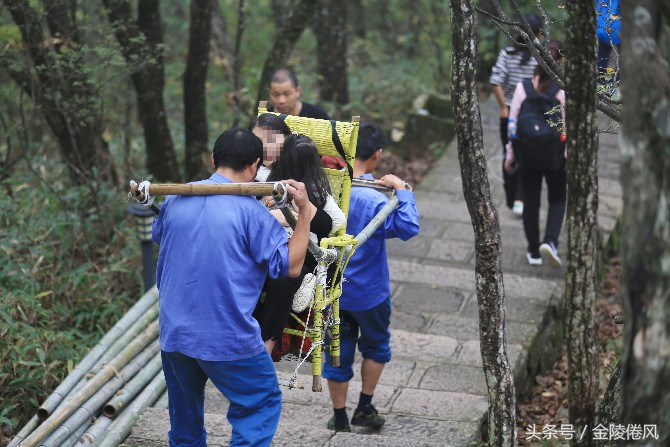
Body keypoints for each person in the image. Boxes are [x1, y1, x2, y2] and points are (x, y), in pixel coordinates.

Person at [152, 127, 312, 446]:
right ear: (255, 166)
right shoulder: (252, 214)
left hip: (175, 333)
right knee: (261, 402)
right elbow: (292, 266)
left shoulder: (176, 197)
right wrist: (305, 214)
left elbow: (160, 237)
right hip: (227, 335)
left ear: (213, 159)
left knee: (184, 423)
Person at [322, 123, 419, 432]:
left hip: (333, 291)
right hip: (370, 294)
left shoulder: (327, 188)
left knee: (337, 349)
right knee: (376, 347)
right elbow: (406, 228)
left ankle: (339, 417)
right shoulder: (375, 198)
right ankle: (364, 407)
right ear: (377, 154)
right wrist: (402, 190)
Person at [253, 134, 344, 355]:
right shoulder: (268, 182)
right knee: (264, 275)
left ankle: (266, 345)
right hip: (272, 250)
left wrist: (300, 209)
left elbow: (337, 221)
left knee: (283, 279)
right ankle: (254, 339)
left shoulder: (315, 192)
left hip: (299, 254)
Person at [505, 40, 566, 268]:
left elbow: (513, 125)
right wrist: (568, 155)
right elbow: (568, 125)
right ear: (560, 60)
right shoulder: (562, 91)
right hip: (556, 157)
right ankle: (550, 241)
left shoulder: (523, 88)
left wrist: (510, 156)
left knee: (531, 201)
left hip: (528, 155)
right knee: (558, 198)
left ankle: (533, 251)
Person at [490, 13, 543, 217]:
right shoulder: (541, 56)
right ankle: (521, 198)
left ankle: (512, 199)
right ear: (537, 34)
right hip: (531, 114)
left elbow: (496, 80)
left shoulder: (507, 53)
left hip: (510, 113)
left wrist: (503, 105)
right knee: (527, 156)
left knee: (509, 154)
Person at [267, 67, 345, 169]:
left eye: (287, 94)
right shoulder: (266, 117)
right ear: (269, 93)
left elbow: (334, 150)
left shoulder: (317, 115)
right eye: (276, 95)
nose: (281, 100)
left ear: (297, 91)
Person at [596, 0, 620, 84]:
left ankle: (600, 86)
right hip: (617, 29)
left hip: (601, 28)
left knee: (601, 61)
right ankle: (616, 85)